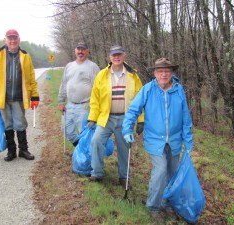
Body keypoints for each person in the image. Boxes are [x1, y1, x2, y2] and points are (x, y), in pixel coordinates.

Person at [122, 58, 194, 219]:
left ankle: (166, 203)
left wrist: (188, 140)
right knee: (160, 170)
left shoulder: (178, 90)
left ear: (172, 73)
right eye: (160, 71)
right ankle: (153, 206)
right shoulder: (148, 89)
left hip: (175, 140)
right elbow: (133, 110)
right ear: (155, 73)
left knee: (172, 172)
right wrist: (127, 129)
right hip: (155, 139)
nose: (164, 74)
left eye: (167, 71)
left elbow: (185, 117)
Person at [87, 45, 144, 187]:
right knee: (96, 141)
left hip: (125, 119)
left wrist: (141, 120)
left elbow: (140, 99)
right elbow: (95, 98)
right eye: (114, 55)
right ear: (110, 57)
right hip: (106, 118)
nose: (116, 57)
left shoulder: (133, 75)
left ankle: (124, 177)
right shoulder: (102, 75)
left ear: (124, 56)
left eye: (119, 54)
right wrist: (92, 118)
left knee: (125, 148)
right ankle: (97, 172)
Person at [0, 29, 39, 161]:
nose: (12, 41)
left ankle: (23, 150)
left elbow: (32, 78)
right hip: (2, 98)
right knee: (7, 125)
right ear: (6, 40)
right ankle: (11, 151)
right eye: (10, 38)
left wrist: (35, 97)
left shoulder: (25, 56)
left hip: (19, 97)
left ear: (19, 39)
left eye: (15, 38)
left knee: (20, 124)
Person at [58, 43, 100, 147]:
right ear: (75, 51)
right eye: (78, 49)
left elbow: (98, 88)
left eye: (83, 49)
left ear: (87, 51)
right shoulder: (69, 66)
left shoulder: (93, 67)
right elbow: (63, 84)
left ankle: (86, 156)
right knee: (66, 129)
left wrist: (96, 107)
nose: (80, 51)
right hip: (69, 105)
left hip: (85, 106)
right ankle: (79, 148)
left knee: (84, 132)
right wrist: (61, 101)